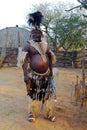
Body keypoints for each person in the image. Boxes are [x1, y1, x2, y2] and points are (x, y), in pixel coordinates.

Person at [22, 11, 56, 122]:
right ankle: (32, 113)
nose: (36, 35)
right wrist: (25, 75)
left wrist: (50, 72)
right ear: (31, 34)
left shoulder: (46, 45)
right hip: (34, 76)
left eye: (38, 33)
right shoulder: (28, 44)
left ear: (41, 34)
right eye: (34, 33)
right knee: (33, 94)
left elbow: (50, 59)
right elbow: (24, 61)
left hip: (46, 75)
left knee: (47, 95)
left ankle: (49, 113)